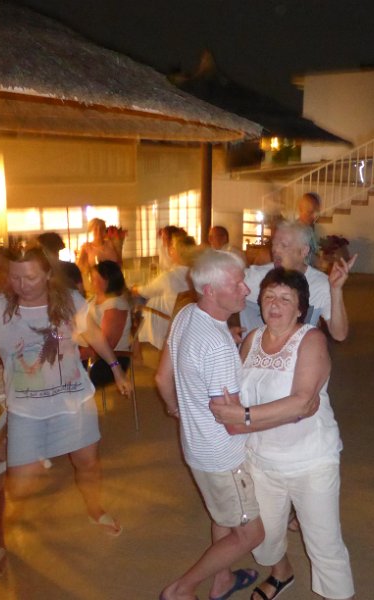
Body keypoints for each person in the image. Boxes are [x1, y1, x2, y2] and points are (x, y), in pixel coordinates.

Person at [0, 247, 130, 575]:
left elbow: (93, 333)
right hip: (26, 410)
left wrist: (116, 368)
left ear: (46, 275)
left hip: (74, 401)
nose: (22, 284)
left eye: (30, 276)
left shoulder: (68, 300)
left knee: (88, 464)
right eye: (15, 277)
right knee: (18, 484)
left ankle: (94, 508)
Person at [211, 267, 355, 600]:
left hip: (311, 460)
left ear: (300, 308)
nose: (275, 304)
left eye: (285, 299)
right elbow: (237, 392)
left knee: (324, 544)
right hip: (260, 460)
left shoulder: (311, 340)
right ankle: (282, 573)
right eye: (268, 297)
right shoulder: (252, 339)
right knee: (264, 539)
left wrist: (243, 417)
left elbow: (302, 402)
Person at [155, 249, 264, 600]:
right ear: (210, 291)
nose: (246, 290)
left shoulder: (187, 314)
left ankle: (223, 580)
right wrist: (281, 419)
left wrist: (177, 409)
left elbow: (162, 378)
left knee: (223, 517)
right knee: (251, 534)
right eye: (237, 284)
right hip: (224, 456)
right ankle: (181, 589)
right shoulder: (217, 346)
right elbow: (232, 422)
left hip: (197, 447)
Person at [240, 220, 355, 341]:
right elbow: (225, 287)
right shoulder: (256, 277)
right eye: (274, 244)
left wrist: (336, 290)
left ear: (304, 251)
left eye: (283, 245)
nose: (275, 250)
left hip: (300, 350)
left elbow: (339, 335)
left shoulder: (320, 284)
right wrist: (227, 330)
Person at [133, 230, 193, 350]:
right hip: (190, 319)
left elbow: (146, 291)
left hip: (169, 319)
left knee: (136, 303)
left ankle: (134, 347)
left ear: (177, 252)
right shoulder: (197, 272)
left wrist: (135, 289)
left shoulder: (169, 276)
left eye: (172, 248)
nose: (170, 250)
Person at [83, 261, 132, 387]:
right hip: (93, 355)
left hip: (108, 360)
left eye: (96, 279)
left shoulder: (115, 305)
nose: (92, 282)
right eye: (92, 278)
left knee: (60, 372)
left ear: (108, 280)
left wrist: (75, 354)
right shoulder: (93, 299)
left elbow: (108, 344)